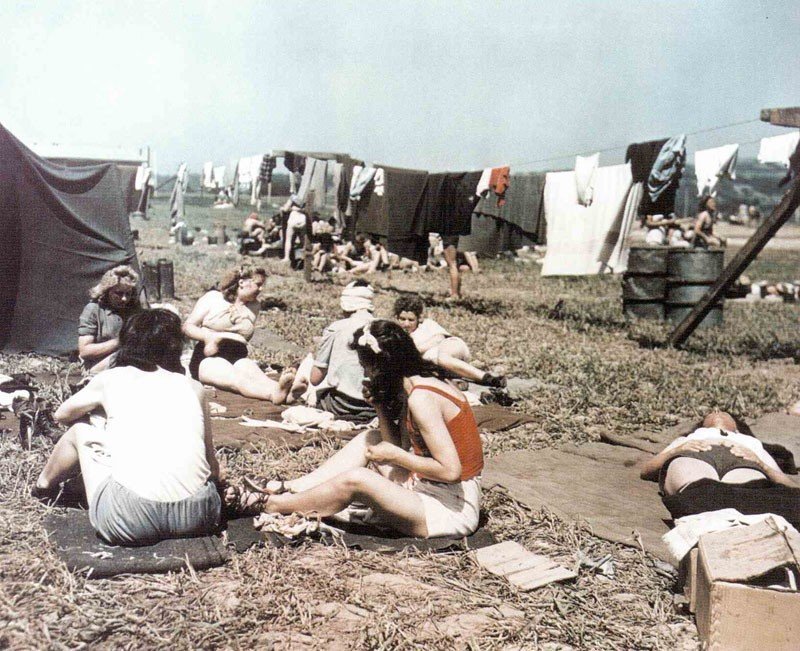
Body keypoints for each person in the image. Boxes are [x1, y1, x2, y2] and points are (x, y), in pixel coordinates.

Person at [226, 320, 484, 538]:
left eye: (367, 369)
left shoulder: (422, 398)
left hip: (449, 510)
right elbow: (399, 446)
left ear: (382, 367)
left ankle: (273, 504)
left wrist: (396, 458)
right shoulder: (417, 385)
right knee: (370, 438)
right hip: (428, 487)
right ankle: (291, 487)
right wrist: (380, 406)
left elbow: (450, 470)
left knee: (358, 480)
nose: (367, 375)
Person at [35, 309, 221, 545]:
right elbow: (212, 467)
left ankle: (43, 486)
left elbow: (62, 415)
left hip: (131, 519)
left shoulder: (112, 378)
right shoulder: (194, 387)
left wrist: (100, 416)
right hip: (199, 516)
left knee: (81, 429)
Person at [639, 410, 800, 525]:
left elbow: (789, 486)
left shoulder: (752, 443)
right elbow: (646, 471)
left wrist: (761, 464)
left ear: (737, 427)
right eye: (712, 412)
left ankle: (712, 512)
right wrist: (677, 449)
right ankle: (725, 512)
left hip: (743, 463)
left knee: (747, 491)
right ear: (701, 426)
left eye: (725, 413)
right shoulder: (689, 438)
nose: (717, 411)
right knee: (700, 490)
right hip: (696, 456)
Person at [183, 266, 301, 404]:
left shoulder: (254, 306)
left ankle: (284, 392)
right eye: (258, 284)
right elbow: (187, 326)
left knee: (253, 371)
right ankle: (272, 395)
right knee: (236, 379)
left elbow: (244, 337)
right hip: (209, 356)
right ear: (242, 282)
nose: (261, 289)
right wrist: (208, 337)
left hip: (238, 356)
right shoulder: (214, 298)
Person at [298, 281, 377, 422]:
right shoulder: (386, 328)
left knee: (309, 365)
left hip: (341, 404)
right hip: (377, 406)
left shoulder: (336, 328)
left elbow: (315, 379)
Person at [393, 295, 506, 387]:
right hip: (442, 367)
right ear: (397, 318)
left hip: (450, 346)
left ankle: (488, 378)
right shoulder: (396, 336)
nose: (406, 324)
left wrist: (413, 351)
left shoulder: (426, 324)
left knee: (442, 359)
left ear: (418, 319)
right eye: (402, 319)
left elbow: (438, 339)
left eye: (411, 320)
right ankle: (461, 383)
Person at [78, 265, 142, 374]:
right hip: (97, 365)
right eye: (119, 293)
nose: (124, 298)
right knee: (125, 357)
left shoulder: (133, 309)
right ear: (107, 291)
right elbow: (85, 351)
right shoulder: (94, 309)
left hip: (128, 361)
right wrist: (119, 341)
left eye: (128, 294)